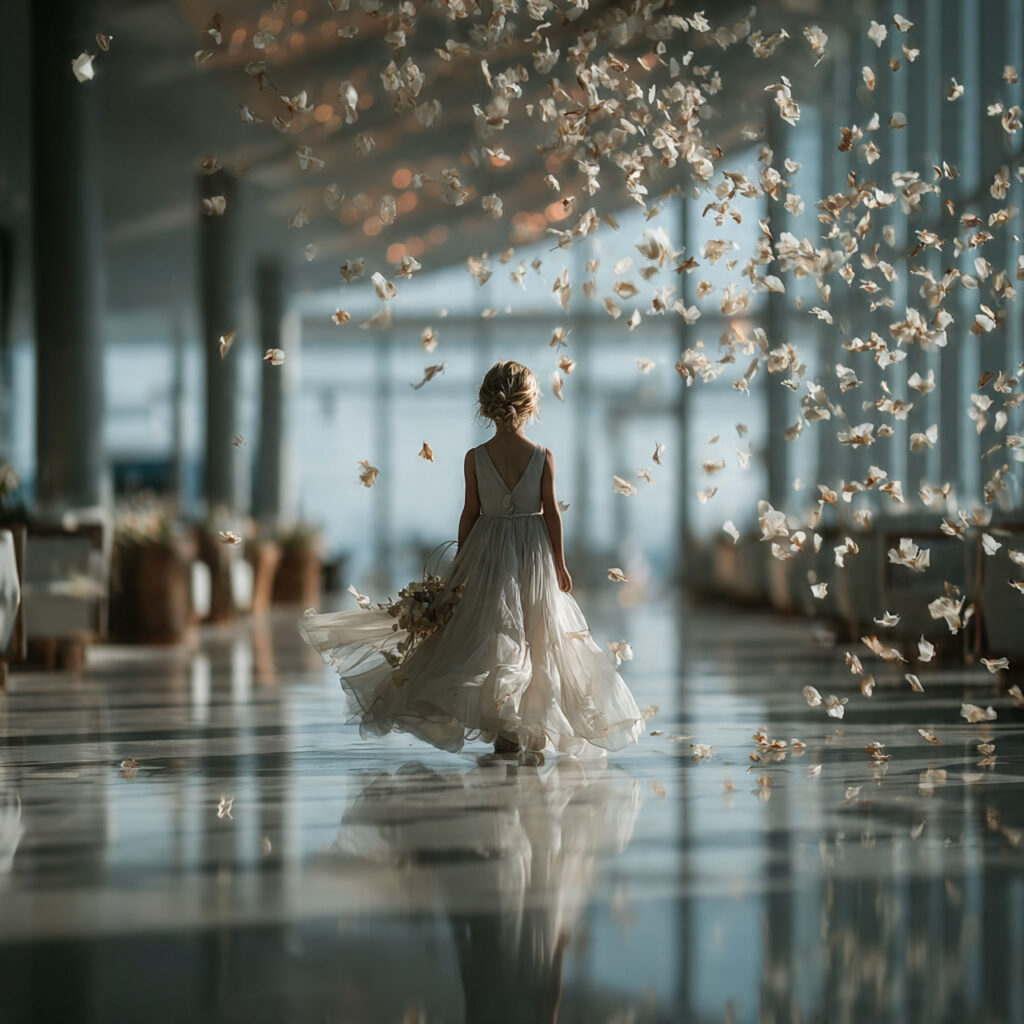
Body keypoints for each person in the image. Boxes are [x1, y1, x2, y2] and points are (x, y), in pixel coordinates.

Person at [300, 360, 645, 757]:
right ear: (530, 405)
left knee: (493, 630)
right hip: (532, 552)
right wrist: (559, 562)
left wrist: (462, 561)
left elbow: (470, 513)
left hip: (489, 548)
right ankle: (525, 717)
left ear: (487, 406)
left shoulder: (476, 457)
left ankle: (506, 720)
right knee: (536, 631)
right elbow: (551, 514)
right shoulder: (543, 457)